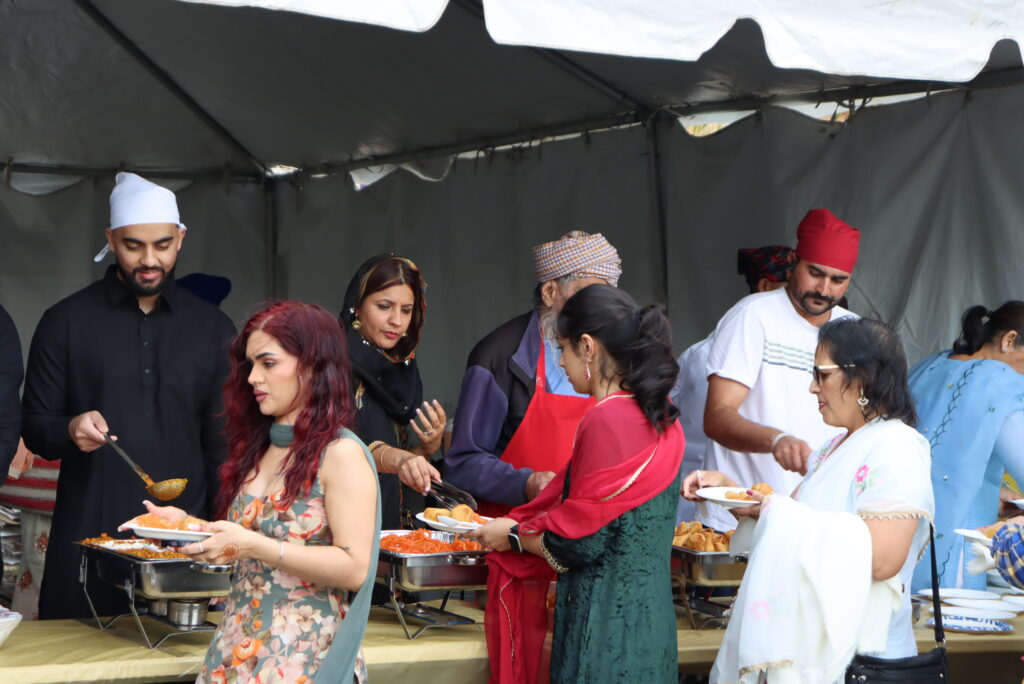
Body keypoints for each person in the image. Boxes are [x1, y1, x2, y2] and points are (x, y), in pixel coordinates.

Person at [21, 172, 235, 620]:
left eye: (162, 244)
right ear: (110, 239)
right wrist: (68, 428)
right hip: (87, 535)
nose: (149, 259)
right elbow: (36, 425)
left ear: (180, 239)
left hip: (184, 541)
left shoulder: (212, 329)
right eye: (133, 245)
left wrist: (226, 534)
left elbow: (225, 445)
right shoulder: (65, 321)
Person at [138, 301, 380, 683]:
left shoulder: (342, 453)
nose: (251, 377)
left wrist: (252, 545)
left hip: (303, 657)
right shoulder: (262, 444)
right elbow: (249, 539)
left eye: (268, 363)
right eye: (250, 364)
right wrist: (190, 526)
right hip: (235, 649)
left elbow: (354, 569)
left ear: (313, 365)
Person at [686, 318, 933, 678]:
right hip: (814, 655)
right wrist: (737, 496)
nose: (812, 388)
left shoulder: (898, 447)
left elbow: (882, 559)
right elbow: (788, 528)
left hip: (864, 663)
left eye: (822, 374)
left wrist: (774, 510)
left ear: (861, 377)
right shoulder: (831, 449)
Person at [470, 284, 684, 684]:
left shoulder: (605, 419)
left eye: (562, 348)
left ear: (588, 347)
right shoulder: (662, 414)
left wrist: (513, 536)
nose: (561, 363)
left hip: (601, 631)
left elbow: (578, 542)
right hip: (652, 628)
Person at [700, 209, 858, 531]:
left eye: (838, 280)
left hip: (814, 526)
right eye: (815, 273)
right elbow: (717, 416)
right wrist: (777, 440)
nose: (824, 289)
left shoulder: (856, 331)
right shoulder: (752, 316)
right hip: (738, 520)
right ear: (792, 262)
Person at [446, 230, 622, 516]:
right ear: (550, 292)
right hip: (509, 536)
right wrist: (527, 482)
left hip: (585, 533)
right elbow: (463, 462)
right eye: (586, 295)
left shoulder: (612, 354)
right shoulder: (498, 356)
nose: (595, 310)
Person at [670, 245, 792, 521]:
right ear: (764, 286)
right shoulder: (706, 356)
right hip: (710, 497)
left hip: (766, 502)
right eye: (788, 287)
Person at [909, 301, 1024, 591]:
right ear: (1009, 340)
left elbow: (934, 453)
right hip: (956, 552)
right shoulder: (1000, 383)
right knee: (948, 633)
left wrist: (992, 490)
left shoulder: (931, 365)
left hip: (899, 538)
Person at [339, 255, 445, 530]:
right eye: (384, 306)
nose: (396, 321)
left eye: (407, 310)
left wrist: (425, 448)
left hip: (387, 525)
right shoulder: (332, 367)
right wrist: (399, 458)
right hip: (340, 526)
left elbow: (396, 463)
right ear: (357, 307)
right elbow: (337, 450)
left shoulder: (399, 372)